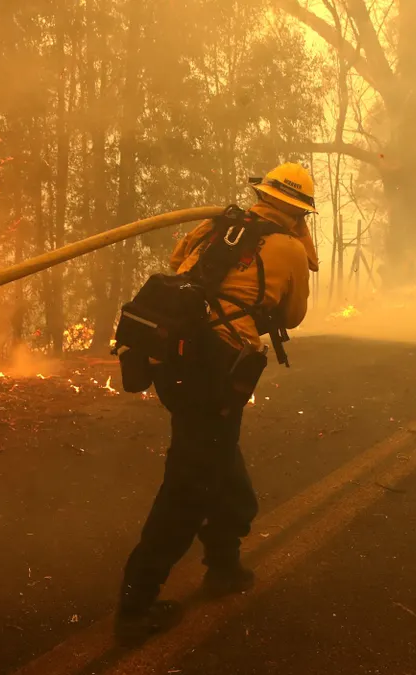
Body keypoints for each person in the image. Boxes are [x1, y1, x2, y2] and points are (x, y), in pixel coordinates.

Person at [116, 162, 320, 641]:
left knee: (218, 461)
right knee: (190, 486)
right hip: (214, 373)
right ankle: (136, 601)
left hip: (174, 363)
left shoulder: (218, 226)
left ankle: (224, 566)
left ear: (264, 195)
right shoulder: (288, 247)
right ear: (300, 213)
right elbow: (293, 313)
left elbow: (176, 264)